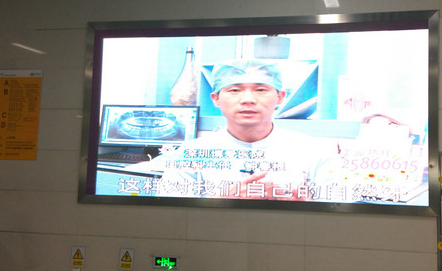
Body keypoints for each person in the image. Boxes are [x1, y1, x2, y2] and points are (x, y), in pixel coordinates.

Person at [143, 59, 338, 201]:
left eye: (261, 90)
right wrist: (221, 201)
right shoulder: (190, 153)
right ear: (216, 99)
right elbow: (171, 220)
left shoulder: (316, 152)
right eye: (234, 90)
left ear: (280, 97)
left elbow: (337, 221)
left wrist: (306, 208)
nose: (248, 100)